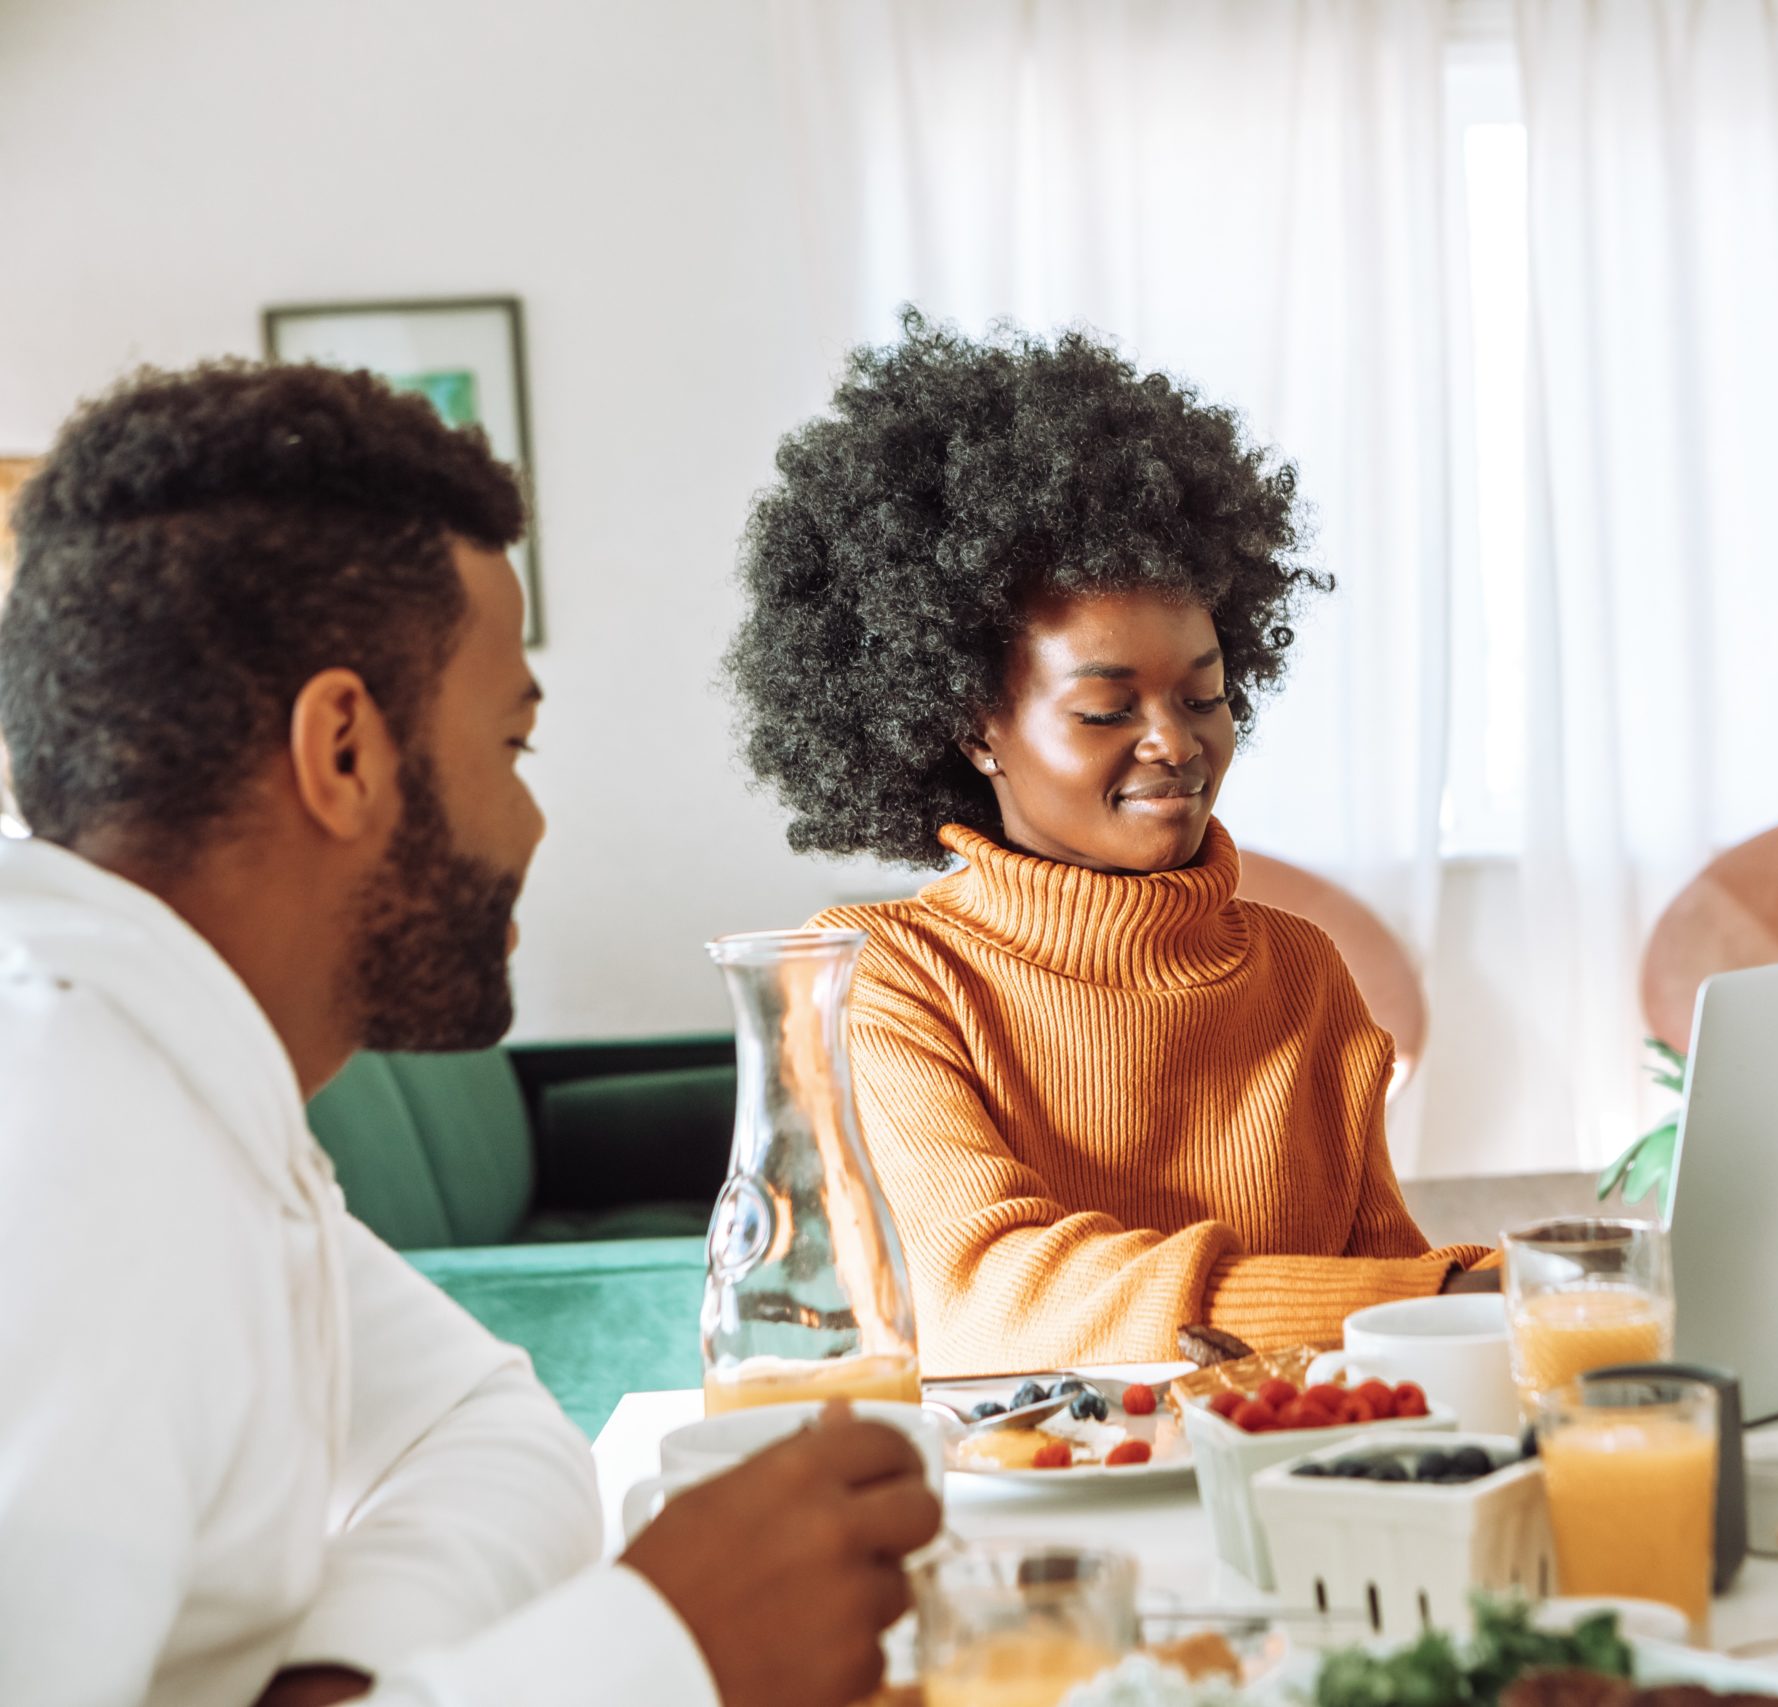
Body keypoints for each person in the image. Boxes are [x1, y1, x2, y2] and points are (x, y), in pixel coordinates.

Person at [0, 361, 939, 1707]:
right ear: (344, 751)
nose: (529, 824)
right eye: (513, 744)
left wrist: (334, 1682)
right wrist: (663, 1648)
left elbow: (489, 1425)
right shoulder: (65, 1149)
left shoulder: (188, 1088)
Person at [724, 312, 1491, 1375]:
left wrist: (1498, 1301)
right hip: (1035, 1509)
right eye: (1104, 710)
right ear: (972, 725)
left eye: (1205, 694)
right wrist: (1440, 1293)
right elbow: (990, 1294)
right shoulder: (886, 976)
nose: (1175, 743)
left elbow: (1384, 1290)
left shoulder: (1302, 974)